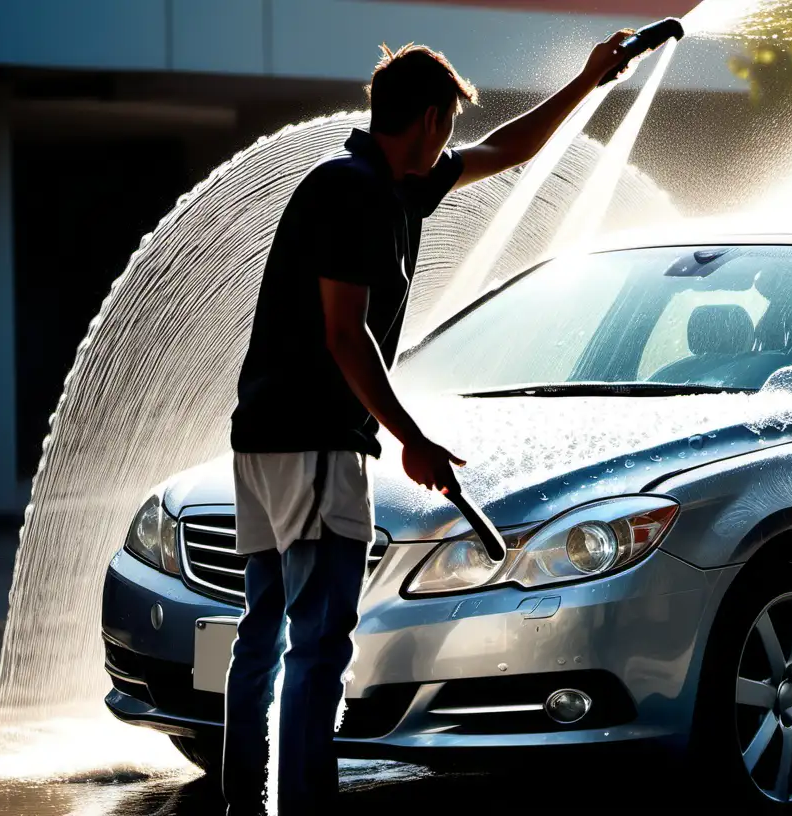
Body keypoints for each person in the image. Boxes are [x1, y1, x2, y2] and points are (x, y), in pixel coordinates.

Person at [222, 31, 636, 815]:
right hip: (313, 442)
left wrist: (586, 82)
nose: (451, 140)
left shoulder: (382, 182)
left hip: (260, 438)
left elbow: (505, 150)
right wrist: (411, 437)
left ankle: (245, 799)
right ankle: (303, 803)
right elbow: (347, 335)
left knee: (265, 630)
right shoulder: (358, 195)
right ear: (426, 119)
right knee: (317, 643)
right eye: (446, 124)